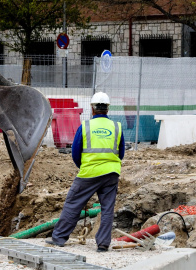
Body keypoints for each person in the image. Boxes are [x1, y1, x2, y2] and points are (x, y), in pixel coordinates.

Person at [46, 91, 125, 252]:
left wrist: (85, 166)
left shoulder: (85, 126)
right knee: (107, 208)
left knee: (73, 204)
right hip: (111, 173)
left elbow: (75, 152)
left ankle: (59, 237)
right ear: (107, 109)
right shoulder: (117, 127)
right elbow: (121, 152)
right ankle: (103, 244)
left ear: (92, 109)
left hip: (89, 173)